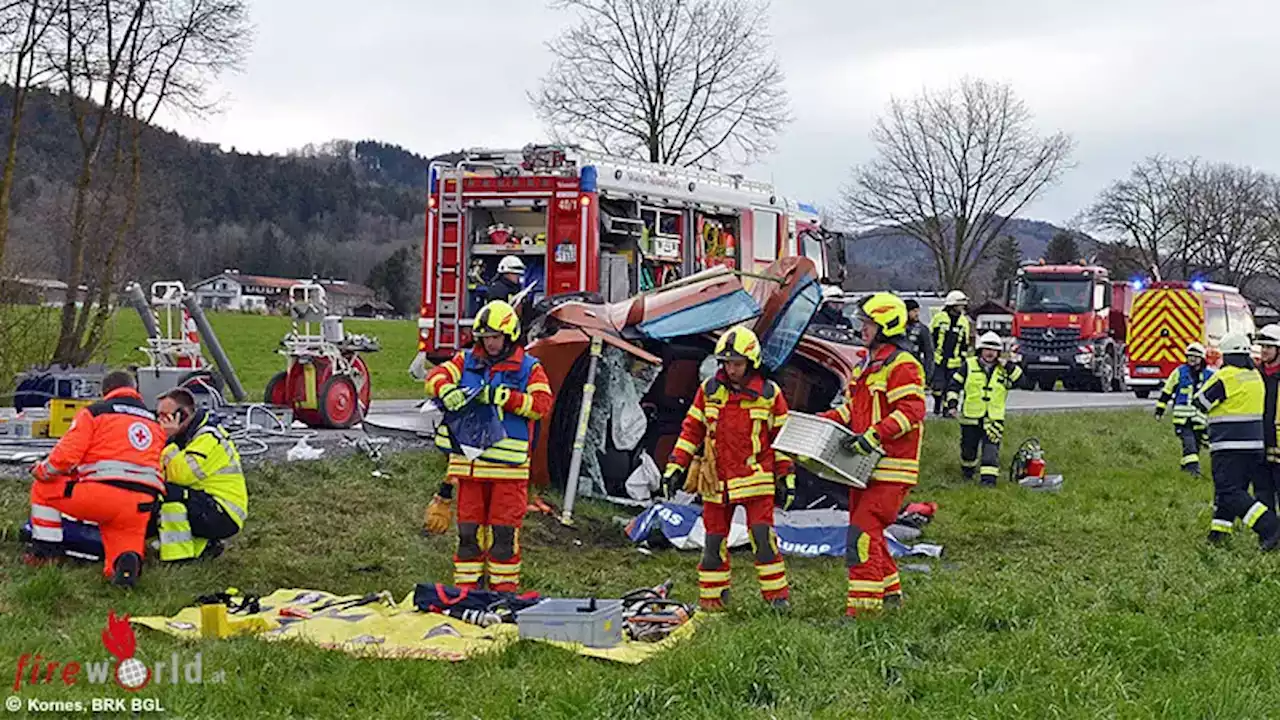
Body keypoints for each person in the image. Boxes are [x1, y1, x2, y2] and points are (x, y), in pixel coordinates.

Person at [422, 300, 552, 591]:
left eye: (496, 337)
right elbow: (435, 377)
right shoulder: (465, 361)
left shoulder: (529, 368)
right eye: (486, 338)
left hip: (509, 473)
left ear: (509, 336)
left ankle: (503, 595)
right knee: (468, 535)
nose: (490, 344)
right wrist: (446, 390)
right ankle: (467, 593)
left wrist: (504, 397)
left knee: (503, 538)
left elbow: (542, 405)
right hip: (470, 470)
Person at [662, 326, 794, 611]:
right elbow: (691, 431)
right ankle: (713, 603)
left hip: (756, 480)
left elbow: (782, 440)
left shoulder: (770, 394)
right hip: (716, 482)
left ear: (751, 363)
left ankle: (777, 600)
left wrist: (786, 476)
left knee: (762, 538)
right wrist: (675, 466)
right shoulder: (709, 391)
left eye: (737, 364)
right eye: (726, 363)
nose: (731, 369)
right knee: (713, 543)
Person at [818, 293, 926, 617]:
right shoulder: (867, 363)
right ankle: (891, 596)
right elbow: (853, 409)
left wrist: (874, 436)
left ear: (885, 326)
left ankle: (862, 615)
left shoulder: (902, 365)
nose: (862, 328)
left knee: (862, 535)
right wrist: (823, 420)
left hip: (891, 468)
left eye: (868, 323)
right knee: (870, 533)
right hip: (865, 467)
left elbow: (913, 410)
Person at [24, 370, 165, 587]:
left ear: (105, 392)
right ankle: (126, 565)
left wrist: (42, 470)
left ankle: (46, 554)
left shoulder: (95, 413)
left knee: (43, 489)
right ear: (135, 391)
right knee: (120, 550)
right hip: (142, 503)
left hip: (103, 495)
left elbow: (65, 457)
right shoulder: (154, 423)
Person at [1192, 331, 1280, 549]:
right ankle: (1219, 534)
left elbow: (1201, 401)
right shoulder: (1254, 376)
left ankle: (1269, 526)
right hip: (1254, 446)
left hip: (1229, 445)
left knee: (1230, 493)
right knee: (1232, 490)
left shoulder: (1227, 376)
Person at [154, 388, 248, 561]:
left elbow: (180, 475)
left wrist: (166, 441)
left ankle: (179, 557)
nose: (159, 421)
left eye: (164, 415)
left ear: (181, 415)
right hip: (206, 502)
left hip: (224, 512)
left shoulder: (207, 437)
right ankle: (204, 548)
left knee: (170, 495)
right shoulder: (187, 437)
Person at [947, 332, 1022, 486]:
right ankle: (967, 473)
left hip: (993, 419)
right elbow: (954, 386)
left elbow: (1025, 382)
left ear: (999, 352)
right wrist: (952, 405)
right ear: (980, 350)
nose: (990, 353)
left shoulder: (1005, 369)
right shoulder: (968, 365)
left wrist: (1008, 366)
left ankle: (988, 482)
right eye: (987, 349)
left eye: (994, 350)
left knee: (990, 451)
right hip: (970, 417)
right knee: (968, 451)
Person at [1154, 342, 1213, 477]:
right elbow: (1167, 392)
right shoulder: (1179, 372)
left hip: (1200, 419)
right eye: (1189, 356)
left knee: (1195, 446)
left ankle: (1184, 469)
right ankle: (1194, 472)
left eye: (1195, 357)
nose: (1192, 359)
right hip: (1182, 420)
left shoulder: (1210, 375)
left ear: (1202, 358)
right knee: (1190, 445)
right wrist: (1159, 411)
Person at [930, 290, 972, 416]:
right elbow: (932, 337)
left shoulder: (964, 321)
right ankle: (938, 403)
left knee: (951, 388)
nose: (962, 307)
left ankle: (947, 410)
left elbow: (965, 342)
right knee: (937, 387)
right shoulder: (939, 318)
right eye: (960, 305)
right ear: (952, 305)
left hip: (955, 361)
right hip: (939, 359)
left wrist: (964, 359)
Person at [1256, 325, 1280, 509]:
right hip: (1259, 439)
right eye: (1262, 346)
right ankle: (1269, 533)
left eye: (1268, 347)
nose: (1264, 351)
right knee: (1262, 492)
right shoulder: (1255, 374)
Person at [903, 299, 935, 384]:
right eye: (914, 311)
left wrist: (927, 375)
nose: (917, 314)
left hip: (915, 370)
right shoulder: (897, 329)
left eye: (917, 311)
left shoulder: (922, 330)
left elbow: (929, 353)